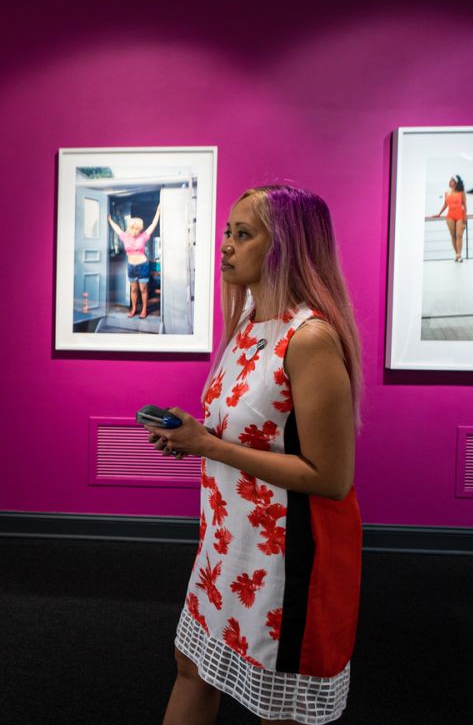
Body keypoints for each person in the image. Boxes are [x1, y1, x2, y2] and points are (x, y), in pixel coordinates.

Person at [145, 185, 363, 725]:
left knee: (279, 706)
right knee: (192, 664)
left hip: (289, 557)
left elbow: (331, 477)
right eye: (227, 232)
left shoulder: (309, 339)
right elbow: (246, 435)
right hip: (228, 541)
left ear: (285, 249)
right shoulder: (246, 326)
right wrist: (192, 438)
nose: (226, 246)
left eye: (243, 235)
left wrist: (209, 446)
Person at [108, 206, 161, 318]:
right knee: (134, 289)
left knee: (143, 289)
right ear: (130, 228)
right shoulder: (125, 237)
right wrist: (110, 220)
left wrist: (158, 211)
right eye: (133, 228)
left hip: (143, 266)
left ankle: (144, 310)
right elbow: (116, 228)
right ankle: (133, 309)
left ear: (140, 228)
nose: (136, 231)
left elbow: (153, 224)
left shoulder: (144, 236)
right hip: (131, 266)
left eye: (138, 228)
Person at [434, 175, 467, 262]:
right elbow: (445, 204)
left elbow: (465, 206)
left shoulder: (461, 192)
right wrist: (439, 214)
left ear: (456, 182)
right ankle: (457, 255)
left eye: (452, 180)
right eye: (450, 180)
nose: (450, 182)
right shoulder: (447, 193)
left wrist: (465, 218)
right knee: (453, 236)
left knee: (459, 235)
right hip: (450, 216)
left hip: (460, 215)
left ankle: (459, 254)